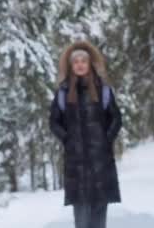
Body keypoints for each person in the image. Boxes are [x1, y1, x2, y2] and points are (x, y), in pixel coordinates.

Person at [48, 40, 123, 228]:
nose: (80, 64)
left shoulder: (104, 90)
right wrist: (67, 140)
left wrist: (106, 140)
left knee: (99, 214)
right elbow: (54, 121)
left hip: (101, 162)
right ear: (71, 66)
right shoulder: (63, 92)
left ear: (90, 64)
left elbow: (116, 118)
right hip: (76, 164)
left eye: (83, 60)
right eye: (76, 61)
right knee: (81, 216)